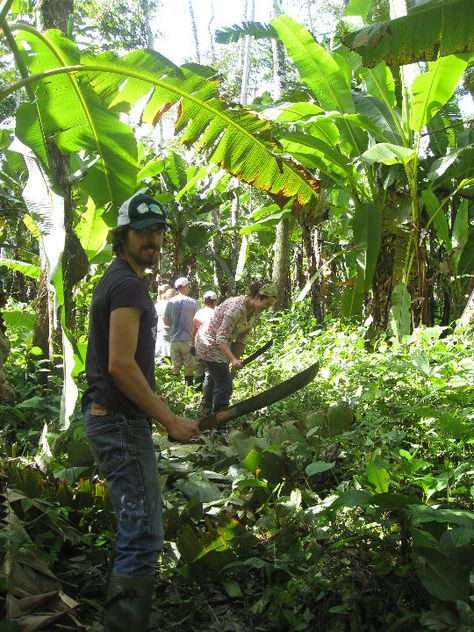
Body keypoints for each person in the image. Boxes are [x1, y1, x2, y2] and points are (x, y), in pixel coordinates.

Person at [82, 191, 199, 631]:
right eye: (143, 231)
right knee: (143, 535)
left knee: (139, 531)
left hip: (114, 419)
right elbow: (120, 363)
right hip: (119, 423)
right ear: (122, 235)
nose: (153, 239)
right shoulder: (128, 284)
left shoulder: (120, 278)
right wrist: (169, 419)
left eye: (158, 231)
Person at [195, 281, 277, 416]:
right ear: (257, 296)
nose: (266, 308)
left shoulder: (255, 312)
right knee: (225, 384)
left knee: (216, 378)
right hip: (209, 343)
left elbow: (241, 338)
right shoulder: (235, 309)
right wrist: (232, 359)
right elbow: (220, 338)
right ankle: (219, 420)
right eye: (266, 304)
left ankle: (204, 413)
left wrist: (235, 360)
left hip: (223, 343)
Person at [163, 277, 199, 386]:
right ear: (186, 287)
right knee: (189, 366)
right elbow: (198, 321)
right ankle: (188, 389)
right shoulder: (193, 302)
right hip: (188, 339)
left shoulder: (170, 302)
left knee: (175, 365)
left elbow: (165, 321)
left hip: (174, 339)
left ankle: (175, 389)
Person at [191, 290, 218, 391]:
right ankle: (206, 392)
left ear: (204, 301)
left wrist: (192, 345)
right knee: (209, 370)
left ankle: (197, 389)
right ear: (215, 301)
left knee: (199, 367)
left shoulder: (199, 313)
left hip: (200, 344)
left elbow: (194, 331)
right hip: (212, 345)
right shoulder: (216, 313)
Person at [155, 285, 175, 359]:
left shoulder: (157, 304)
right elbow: (167, 320)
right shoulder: (168, 304)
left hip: (160, 331)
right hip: (168, 331)